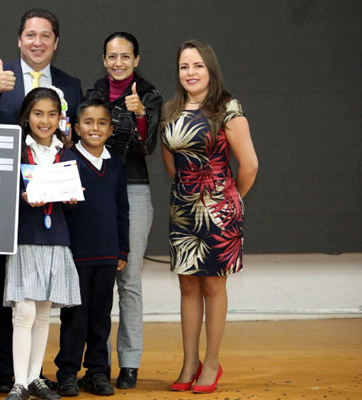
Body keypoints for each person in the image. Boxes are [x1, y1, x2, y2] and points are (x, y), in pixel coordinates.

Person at [0, 9, 83, 392]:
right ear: (19, 39)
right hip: (0, 209)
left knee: (40, 307)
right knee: (1, 297)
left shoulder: (71, 84)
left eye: (46, 36)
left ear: (55, 42)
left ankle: (32, 375)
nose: (38, 42)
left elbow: (77, 143)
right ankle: (6, 374)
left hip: (51, 221)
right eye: (30, 35)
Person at [160, 39, 258, 394]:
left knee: (214, 285)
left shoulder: (227, 108)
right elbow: (171, 164)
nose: (191, 72)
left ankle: (212, 363)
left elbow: (249, 165)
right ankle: (189, 362)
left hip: (219, 209)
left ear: (210, 69)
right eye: (184, 66)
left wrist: (230, 199)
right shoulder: (171, 109)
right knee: (187, 285)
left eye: (198, 65)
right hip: (183, 208)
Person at [83, 31, 163, 389]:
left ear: (136, 59)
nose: (118, 63)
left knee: (128, 281)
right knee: (93, 280)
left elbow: (147, 148)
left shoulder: (149, 94)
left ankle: (129, 362)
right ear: (104, 60)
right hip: (94, 189)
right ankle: (94, 364)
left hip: (133, 188)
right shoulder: (93, 94)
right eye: (112, 57)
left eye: (125, 57)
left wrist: (141, 115)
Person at [2, 87, 80, 400]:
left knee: (45, 313)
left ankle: (35, 377)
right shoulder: (18, 151)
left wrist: (72, 199)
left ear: (60, 117)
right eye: (38, 114)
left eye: (51, 114)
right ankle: (19, 381)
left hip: (55, 238)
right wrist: (20, 199)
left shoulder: (67, 153)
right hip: (24, 239)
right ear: (26, 117)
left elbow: (72, 203)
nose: (44, 121)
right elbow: (2, 196)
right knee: (23, 311)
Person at [54, 99, 130, 397]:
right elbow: (57, 207)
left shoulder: (116, 165)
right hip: (76, 255)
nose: (94, 128)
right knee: (75, 316)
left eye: (101, 123)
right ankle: (67, 372)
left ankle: (97, 372)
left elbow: (122, 210)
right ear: (76, 127)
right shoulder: (65, 160)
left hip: (107, 255)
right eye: (88, 122)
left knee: (100, 315)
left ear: (110, 130)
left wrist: (121, 250)